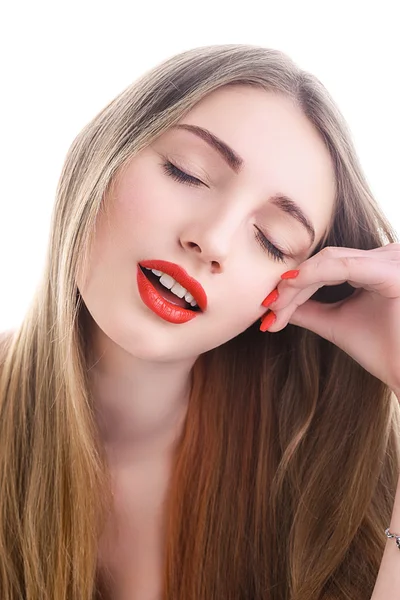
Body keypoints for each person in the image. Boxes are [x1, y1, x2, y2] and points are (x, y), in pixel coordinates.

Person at [0, 43, 399, 600]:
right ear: (105, 152)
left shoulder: (323, 474)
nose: (211, 240)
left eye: (272, 239)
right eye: (186, 172)